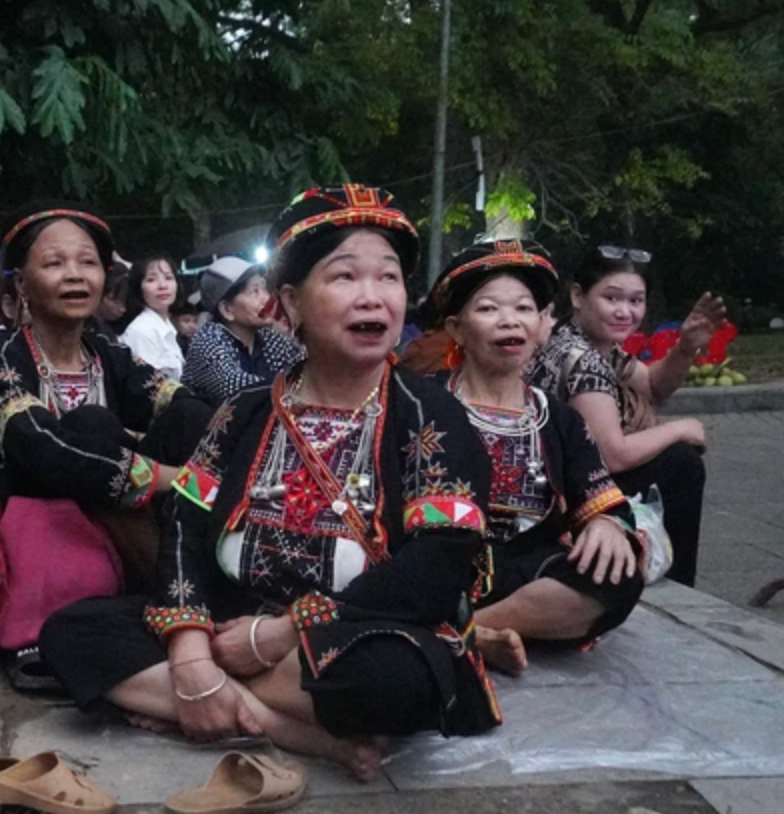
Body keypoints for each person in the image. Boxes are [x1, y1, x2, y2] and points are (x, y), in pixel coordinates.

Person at [40, 185, 501, 780]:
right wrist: (188, 647)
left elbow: (441, 562)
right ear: (290, 302)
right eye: (344, 278)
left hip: (353, 633)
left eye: (388, 278)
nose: (374, 297)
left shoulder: (430, 413)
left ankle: (211, 700)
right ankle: (275, 721)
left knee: (394, 679)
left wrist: (282, 633)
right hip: (230, 624)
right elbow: (184, 521)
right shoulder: (245, 410)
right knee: (72, 632)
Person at [0, 199, 212, 683]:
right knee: (92, 424)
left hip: (120, 509)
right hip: (34, 510)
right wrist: (175, 480)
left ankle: (199, 574)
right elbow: (39, 450)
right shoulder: (4, 358)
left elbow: (177, 403)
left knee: (194, 419)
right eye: (54, 263)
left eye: (88, 262)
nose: (75, 275)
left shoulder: (109, 353)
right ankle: (173, 590)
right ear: (20, 285)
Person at [428, 239, 645, 675]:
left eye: (524, 309)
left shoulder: (558, 418)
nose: (510, 321)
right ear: (456, 328)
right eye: (488, 309)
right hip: (435, 566)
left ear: (543, 323)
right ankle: (460, 631)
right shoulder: (421, 401)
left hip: (529, 572)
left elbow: (599, 496)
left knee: (617, 574)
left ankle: (465, 632)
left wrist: (605, 525)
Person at [526, 245, 724, 586]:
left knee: (676, 458)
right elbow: (612, 456)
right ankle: (678, 584)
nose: (625, 312)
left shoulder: (586, 342)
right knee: (681, 464)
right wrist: (679, 429)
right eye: (612, 299)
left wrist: (687, 345)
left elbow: (652, 386)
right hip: (561, 498)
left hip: (558, 482)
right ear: (577, 296)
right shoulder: (581, 358)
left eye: (636, 301)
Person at [181, 256, 302, 404]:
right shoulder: (207, 341)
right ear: (227, 310)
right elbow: (241, 389)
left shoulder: (267, 337)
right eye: (254, 292)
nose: (266, 298)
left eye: (263, 287)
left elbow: (300, 367)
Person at [118, 255, 185, 378]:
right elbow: (151, 388)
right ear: (138, 287)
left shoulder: (166, 326)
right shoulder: (142, 331)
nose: (162, 285)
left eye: (169, 278)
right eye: (151, 279)